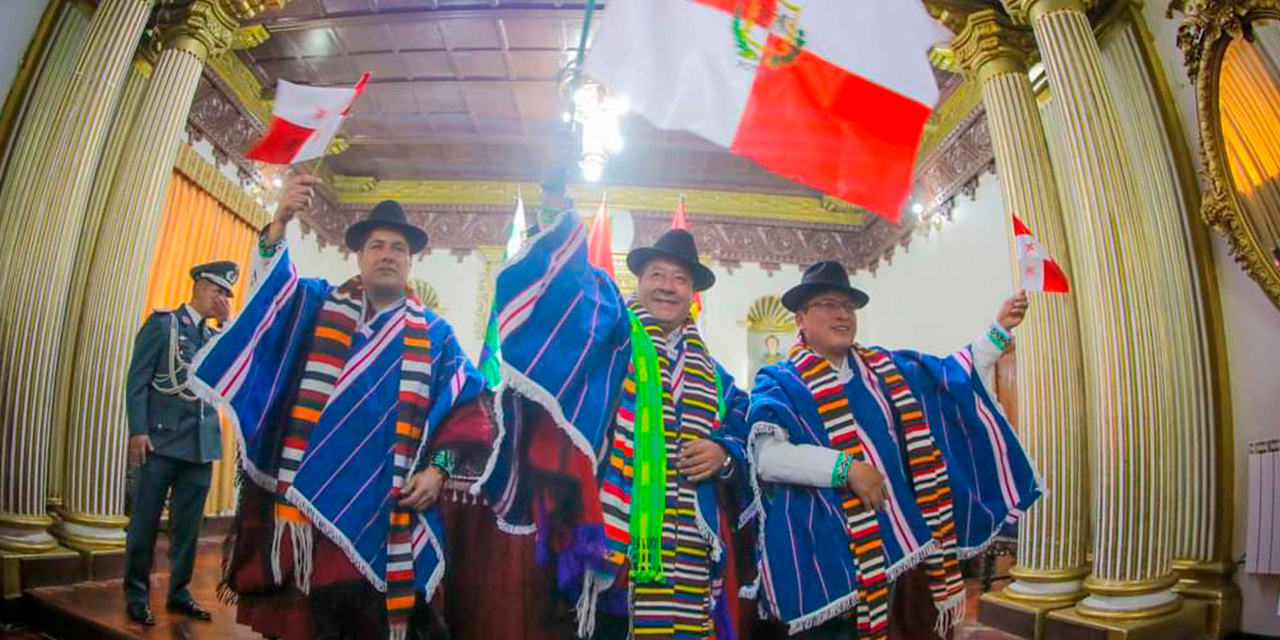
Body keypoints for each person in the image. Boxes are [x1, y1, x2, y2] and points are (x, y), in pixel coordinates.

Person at [474, 135, 752, 639]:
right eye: (657, 274)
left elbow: (743, 427)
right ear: (639, 280)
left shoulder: (714, 374)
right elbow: (561, 299)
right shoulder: (611, 338)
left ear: (693, 295)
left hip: (693, 547)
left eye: (680, 279)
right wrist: (556, 208)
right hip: (615, 541)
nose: (667, 286)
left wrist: (724, 454)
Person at [189, 178, 491, 640]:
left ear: (411, 261)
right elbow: (272, 298)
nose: (387, 254)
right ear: (360, 255)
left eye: (397, 247)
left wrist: (438, 470)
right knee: (304, 624)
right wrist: (281, 222)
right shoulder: (316, 305)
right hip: (305, 505)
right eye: (376, 245)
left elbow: (469, 412)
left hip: (387, 511)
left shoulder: (438, 337)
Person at [743, 261, 1041, 640]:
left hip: (898, 548)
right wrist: (845, 468)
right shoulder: (778, 380)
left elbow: (952, 377)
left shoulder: (888, 369)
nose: (841, 314)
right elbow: (767, 458)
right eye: (827, 304)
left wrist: (999, 331)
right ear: (800, 318)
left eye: (848, 306)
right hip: (823, 557)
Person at [123, 261, 238, 626]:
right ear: (199, 286)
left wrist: (228, 324)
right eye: (218, 290)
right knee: (144, 523)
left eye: (225, 294)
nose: (220, 298)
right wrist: (138, 431)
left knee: (187, 530)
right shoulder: (164, 325)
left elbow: (234, 369)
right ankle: (137, 595)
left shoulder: (214, 338)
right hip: (159, 441)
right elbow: (137, 380)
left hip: (200, 447)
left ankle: (179, 593)